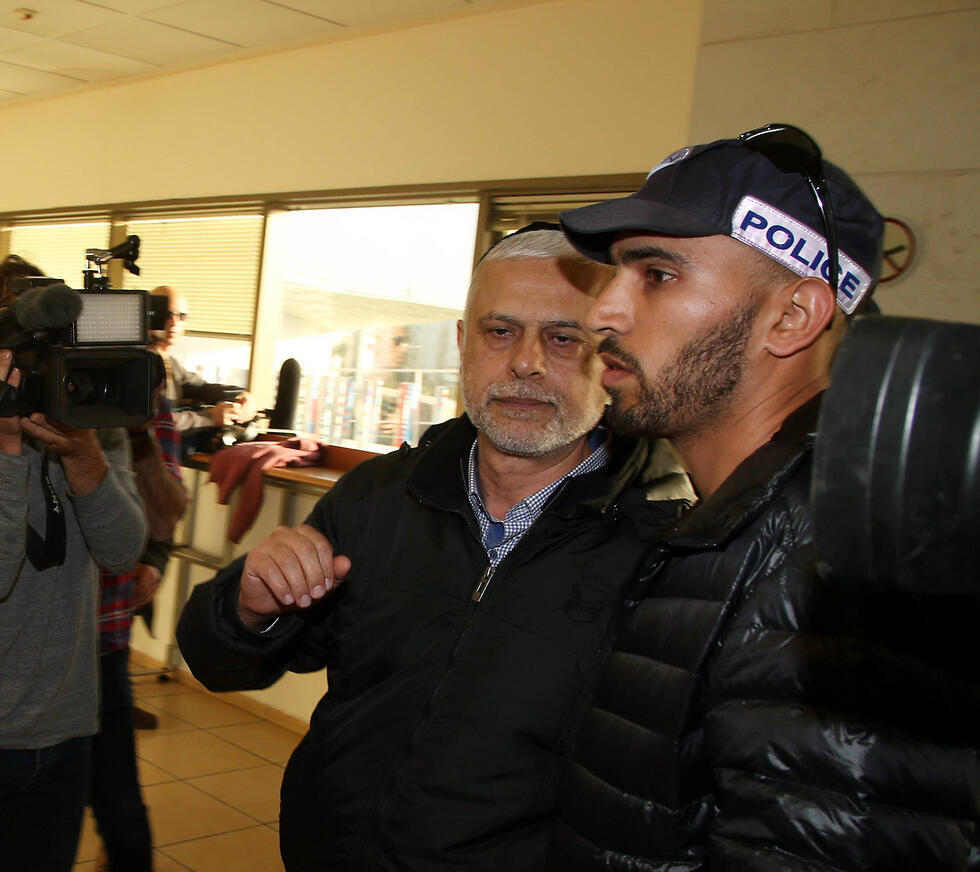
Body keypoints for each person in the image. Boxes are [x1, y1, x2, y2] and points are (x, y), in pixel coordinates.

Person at [176, 226, 689, 871]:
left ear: (608, 354)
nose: (526, 362)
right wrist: (248, 609)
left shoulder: (669, 540)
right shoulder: (382, 496)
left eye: (563, 338)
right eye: (499, 332)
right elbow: (222, 666)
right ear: (461, 343)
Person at [548, 125, 980, 869]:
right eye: (614, 272)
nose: (600, 315)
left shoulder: (830, 570)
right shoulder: (735, 522)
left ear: (793, 317)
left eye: (657, 274)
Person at [0, 346, 148, 871]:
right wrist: (6, 448)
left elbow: (123, 551)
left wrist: (85, 457)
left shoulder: (93, 423)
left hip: (65, 725)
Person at [90, 396, 186, 872]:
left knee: (120, 803)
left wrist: (137, 436)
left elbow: (168, 513)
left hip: (102, 637)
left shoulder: (143, 392)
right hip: (21, 645)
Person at [149, 284, 256, 434]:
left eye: (181, 316)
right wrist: (209, 418)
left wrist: (241, 395)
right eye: (167, 314)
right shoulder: (141, 362)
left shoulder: (171, 363)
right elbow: (151, 422)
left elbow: (202, 388)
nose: (174, 322)